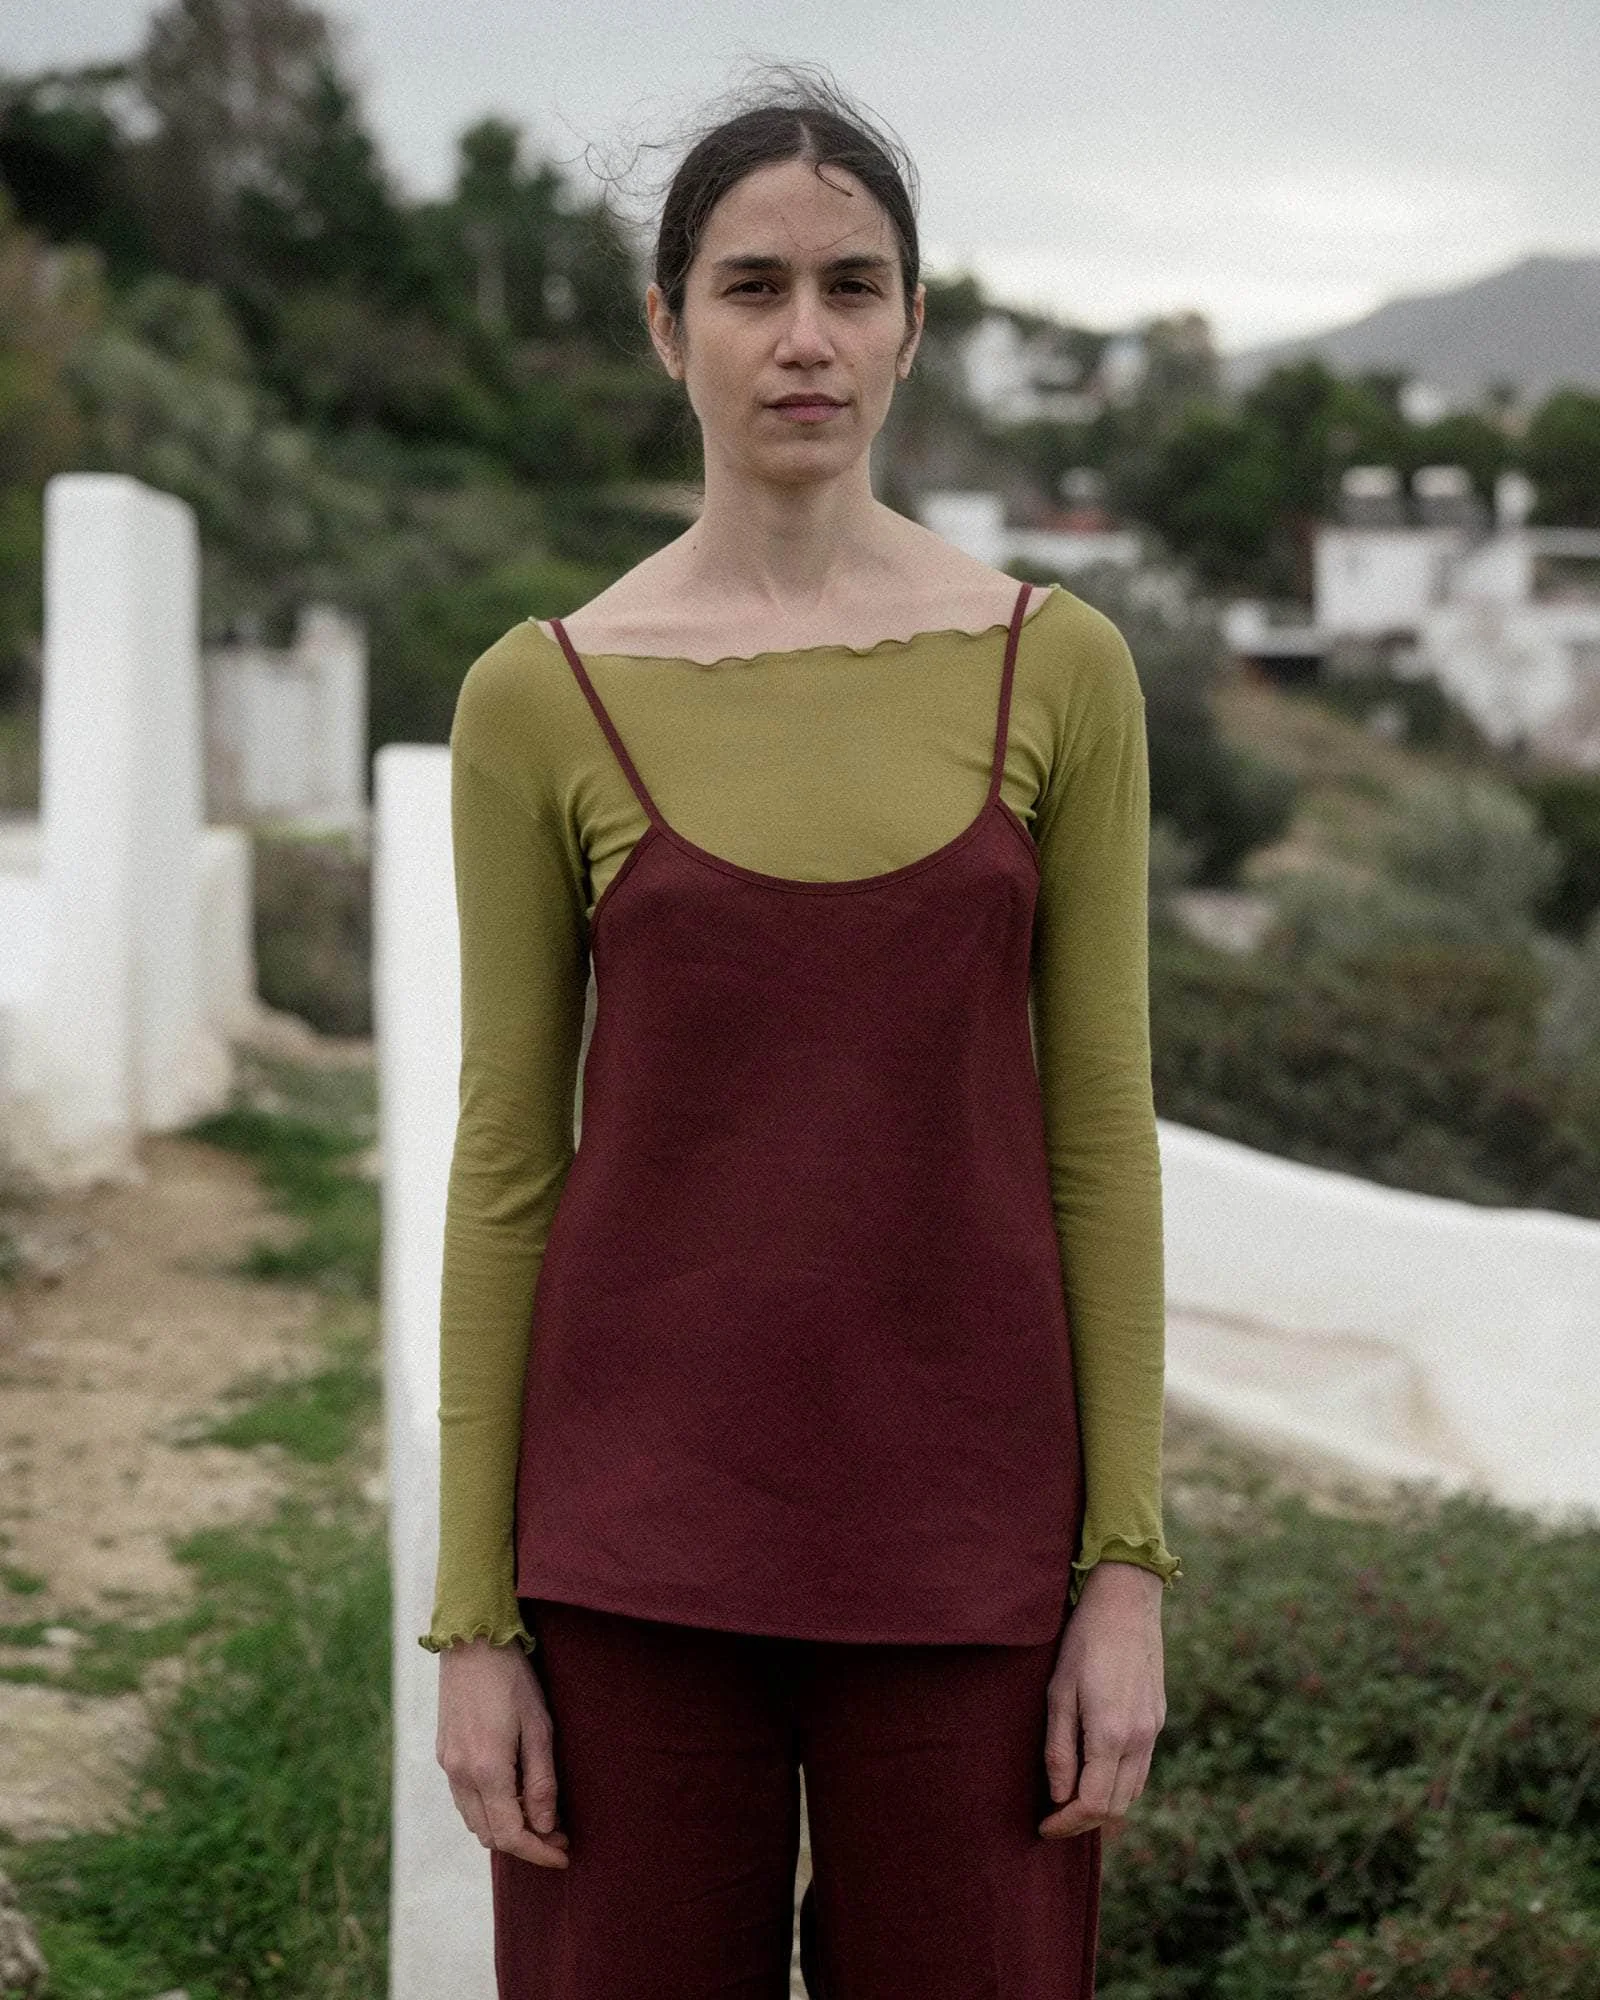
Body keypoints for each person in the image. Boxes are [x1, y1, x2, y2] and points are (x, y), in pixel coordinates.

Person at [425, 65, 1181, 2000]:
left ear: (912, 326)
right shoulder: (541, 696)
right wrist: (475, 1621)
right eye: (752, 287)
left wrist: (1124, 1573)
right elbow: (509, 1160)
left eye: (853, 287)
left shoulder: (1056, 668)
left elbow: (1101, 1134)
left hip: (972, 1550)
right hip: (628, 1551)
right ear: (667, 324)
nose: (805, 337)